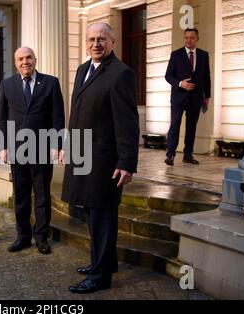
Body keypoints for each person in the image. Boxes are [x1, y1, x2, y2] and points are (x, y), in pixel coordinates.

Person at [61, 22, 139, 294]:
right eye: (91, 39)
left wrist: (126, 163)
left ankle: (100, 276)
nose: (96, 44)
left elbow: (128, 122)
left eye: (101, 39)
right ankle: (103, 262)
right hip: (83, 154)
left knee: (103, 215)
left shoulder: (121, 74)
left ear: (112, 42)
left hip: (105, 159)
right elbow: (77, 113)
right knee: (93, 213)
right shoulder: (83, 69)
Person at [0, 47, 65, 255]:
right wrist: (3, 146)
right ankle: (23, 236)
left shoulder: (51, 82)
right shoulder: (7, 84)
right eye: (20, 59)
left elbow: (58, 116)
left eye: (28, 58)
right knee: (21, 196)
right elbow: (1, 117)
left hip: (43, 148)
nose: (25, 62)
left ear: (35, 59)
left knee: (42, 195)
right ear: (15, 63)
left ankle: (41, 237)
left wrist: (58, 145)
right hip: (17, 149)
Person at [164, 28, 211, 166]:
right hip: (179, 97)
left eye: (191, 37)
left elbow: (206, 77)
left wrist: (207, 95)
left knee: (191, 127)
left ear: (197, 39)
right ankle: (170, 155)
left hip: (196, 98)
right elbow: (168, 76)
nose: (188, 40)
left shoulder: (203, 55)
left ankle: (188, 155)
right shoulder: (176, 55)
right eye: (186, 37)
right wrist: (181, 84)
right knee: (175, 125)